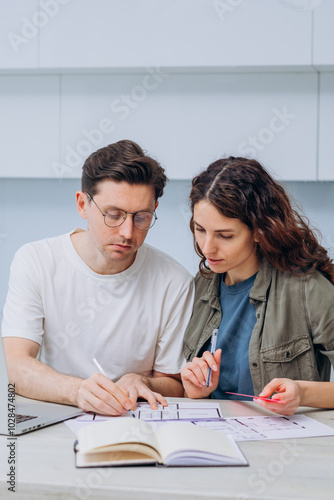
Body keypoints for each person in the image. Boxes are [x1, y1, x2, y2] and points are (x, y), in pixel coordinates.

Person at [2, 139, 194, 416]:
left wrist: (141, 381)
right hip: (60, 415)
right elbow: (16, 366)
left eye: (142, 217)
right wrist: (77, 391)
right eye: (113, 215)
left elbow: (174, 383)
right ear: (82, 204)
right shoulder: (35, 261)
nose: (128, 232)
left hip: (138, 421)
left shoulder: (175, 281)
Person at [180, 156, 334, 416]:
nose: (207, 248)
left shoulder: (307, 290)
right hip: (215, 438)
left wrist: (302, 393)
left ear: (260, 230)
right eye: (200, 229)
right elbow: (191, 392)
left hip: (284, 446)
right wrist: (195, 392)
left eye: (225, 235)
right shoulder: (199, 288)